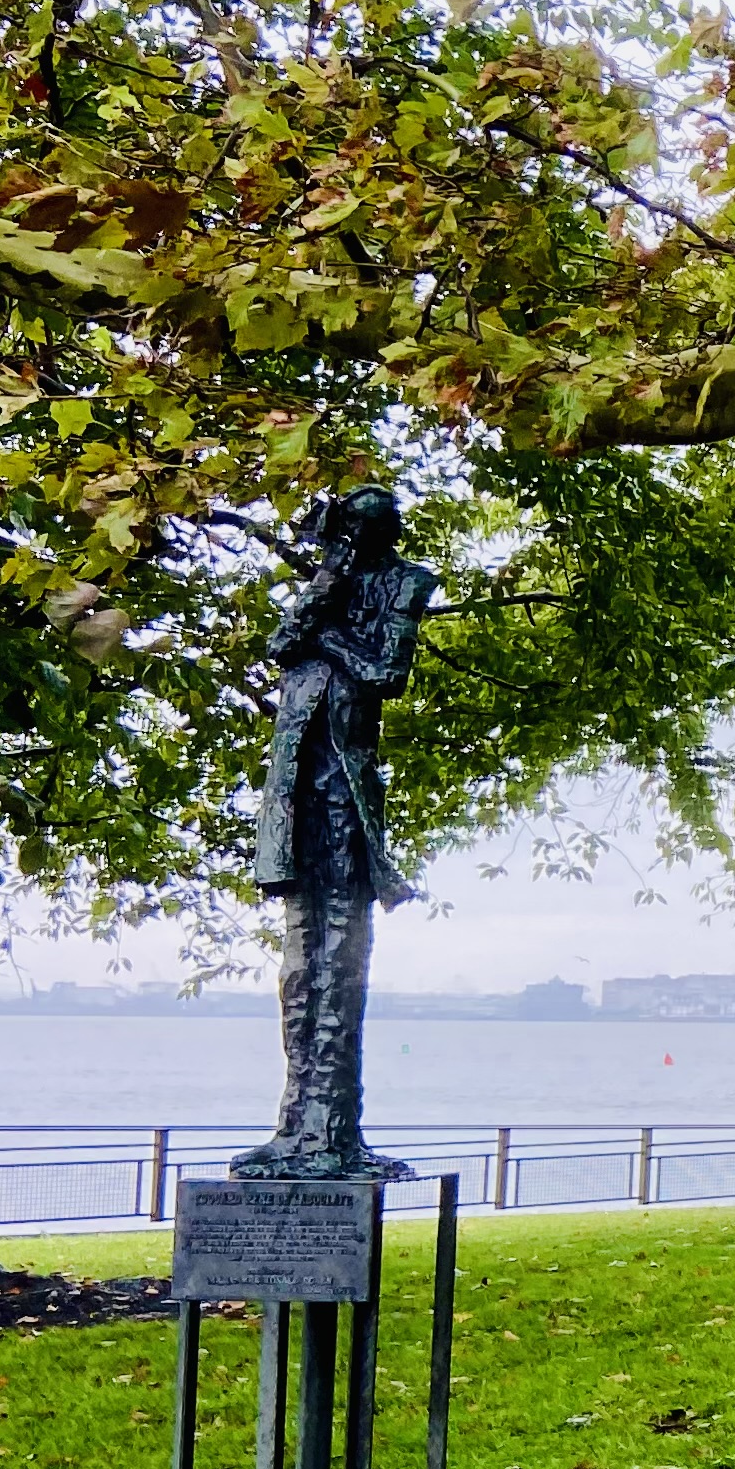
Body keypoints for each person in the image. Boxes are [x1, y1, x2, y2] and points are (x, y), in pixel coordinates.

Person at [240, 486, 435, 1182]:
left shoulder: (407, 582)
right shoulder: (328, 582)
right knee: (300, 967)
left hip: (346, 794)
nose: (345, 546)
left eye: (354, 536)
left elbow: (387, 671)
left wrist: (328, 634)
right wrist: (327, 588)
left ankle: (330, 1130)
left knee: (340, 954)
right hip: (296, 792)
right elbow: (280, 643)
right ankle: (296, 1127)